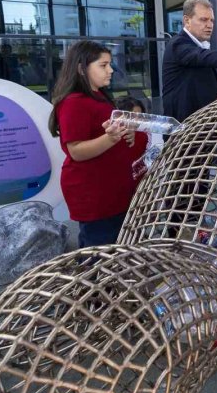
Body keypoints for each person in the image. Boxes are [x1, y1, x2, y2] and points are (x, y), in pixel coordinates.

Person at [49, 41, 147, 248]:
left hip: (113, 192)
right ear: (81, 68)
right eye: (103, 65)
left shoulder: (98, 96)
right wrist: (110, 139)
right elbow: (76, 150)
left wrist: (124, 134)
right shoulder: (74, 102)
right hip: (96, 196)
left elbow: (104, 132)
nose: (110, 70)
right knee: (99, 250)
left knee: (114, 245)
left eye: (110, 64)